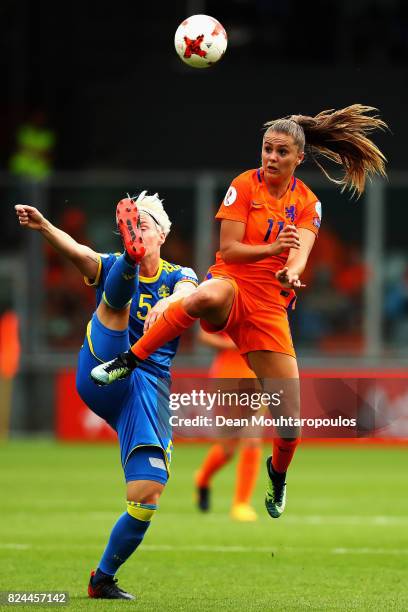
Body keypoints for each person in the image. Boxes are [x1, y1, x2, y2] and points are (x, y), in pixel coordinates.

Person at [91, 104, 387, 519]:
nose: (271, 158)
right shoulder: (243, 186)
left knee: (290, 427)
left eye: (281, 152)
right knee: (200, 298)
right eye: (267, 149)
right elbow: (229, 250)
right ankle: (128, 359)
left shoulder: (308, 203)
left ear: (298, 158)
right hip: (232, 284)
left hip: (269, 309)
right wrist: (271, 250)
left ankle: (277, 477)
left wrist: (290, 273)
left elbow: (299, 255)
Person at [15, 192, 198, 599]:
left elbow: (190, 292)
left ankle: (102, 579)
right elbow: (78, 251)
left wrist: (169, 301)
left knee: (147, 495)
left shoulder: (180, 275)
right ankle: (130, 268)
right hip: (102, 364)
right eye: (134, 223)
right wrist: (44, 226)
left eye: (145, 223)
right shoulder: (110, 263)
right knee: (114, 298)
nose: (139, 227)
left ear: (163, 233)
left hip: (144, 388)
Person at [195, 329, 261, 521]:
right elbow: (203, 335)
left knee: (252, 438)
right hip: (228, 377)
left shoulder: (266, 304)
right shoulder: (224, 300)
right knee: (228, 447)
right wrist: (233, 345)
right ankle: (202, 478)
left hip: (257, 377)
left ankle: (241, 503)